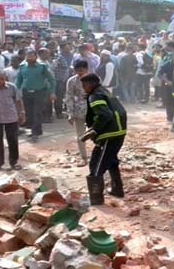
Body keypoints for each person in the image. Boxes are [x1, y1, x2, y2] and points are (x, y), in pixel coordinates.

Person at [80, 73, 127, 205]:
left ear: (90, 84)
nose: (83, 88)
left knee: (96, 164)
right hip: (119, 132)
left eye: (84, 85)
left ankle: (96, 199)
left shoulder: (95, 96)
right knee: (111, 161)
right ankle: (117, 189)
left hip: (109, 135)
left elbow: (105, 114)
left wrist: (94, 129)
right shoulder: (104, 92)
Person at [16, 50, 56, 142]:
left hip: (40, 92)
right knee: (29, 113)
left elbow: (51, 79)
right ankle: (37, 130)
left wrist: (52, 92)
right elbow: (19, 80)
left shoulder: (42, 66)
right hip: (26, 92)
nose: (30, 57)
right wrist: (15, 90)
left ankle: (35, 133)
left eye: (32, 55)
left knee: (37, 112)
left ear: (36, 57)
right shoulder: (22, 66)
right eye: (28, 55)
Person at [65, 60, 90, 166]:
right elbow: (69, 97)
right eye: (77, 70)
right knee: (80, 135)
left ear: (86, 69)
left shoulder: (94, 79)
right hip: (78, 112)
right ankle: (84, 157)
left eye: (82, 70)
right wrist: (70, 113)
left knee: (97, 133)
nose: (79, 73)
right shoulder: (71, 81)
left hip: (93, 109)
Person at [158, 49, 174, 122]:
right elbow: (159, 74)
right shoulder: (168, 64)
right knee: (170, 103)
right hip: (170, 86)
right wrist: (167, 81)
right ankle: (170, 118)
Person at [52, 43, 73, 119]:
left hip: (69, 78)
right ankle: (59, 112)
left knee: (68, 95)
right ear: (62, 49)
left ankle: (68, 111)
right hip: (60, 80)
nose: (68, 49)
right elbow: (54, 68)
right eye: (66, 48)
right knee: (59, 97)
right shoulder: (58, 57)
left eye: (68, 47)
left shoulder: (72, 55)